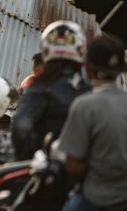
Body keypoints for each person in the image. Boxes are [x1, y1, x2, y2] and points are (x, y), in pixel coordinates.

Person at [35, 34, 127, 211]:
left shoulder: (85, 105)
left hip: (98, 196)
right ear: (122, 69)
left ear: (87, 67)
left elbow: (74, 165)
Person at [11, 21, 91, 160]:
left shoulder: (39, 87)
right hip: (85, 172)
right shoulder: (88, 89)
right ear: (80, 49)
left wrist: (25, 159)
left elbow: (21, 128)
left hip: (45, 172)